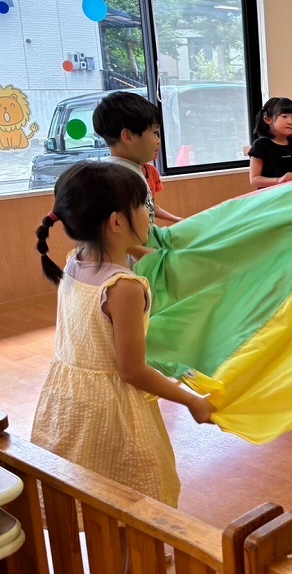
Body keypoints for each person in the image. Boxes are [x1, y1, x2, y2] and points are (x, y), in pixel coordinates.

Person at [31, 161, 216, 514]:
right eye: (143, 206)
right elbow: (132, 371)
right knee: (133, 500)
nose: (149, 213)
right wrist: (191, 400)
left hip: (70, 401)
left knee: (88, 492)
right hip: (113, 412)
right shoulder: (124, 288)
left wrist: (159, 254)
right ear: (117, 222)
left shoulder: (75, 261)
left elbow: (124, 257)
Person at [93, 92, 183, 228]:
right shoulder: (119, 179)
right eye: (155, 133)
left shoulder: (132, 170)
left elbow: (148, 210)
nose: (158, 141)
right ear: (128, 137)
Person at [249, 97, 292, 188]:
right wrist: (279, 180)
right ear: (268, 119)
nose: (290, 122)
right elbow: (254, 180)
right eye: (284, 116)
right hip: (271, 195)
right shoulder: (260, 145)